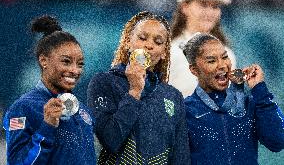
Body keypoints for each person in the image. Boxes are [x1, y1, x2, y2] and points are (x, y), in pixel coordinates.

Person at [87, 11, 190, 164]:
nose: (149, 45)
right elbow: (110, 140)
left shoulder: (173, 96)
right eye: (142, 38)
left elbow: (180, 158)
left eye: (158, 42)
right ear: (128, 42)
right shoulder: (104, 82)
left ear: (163, 52)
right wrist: (134, 92)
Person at [3, 15, 97, 165]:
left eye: (80, 64)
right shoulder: (22, 109)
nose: (74, 70)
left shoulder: (83, 112)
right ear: (43, 60)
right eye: (66, 62)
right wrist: (47, 126)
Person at [182, 33, 284, 165]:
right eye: (211, 61)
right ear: (194, 70)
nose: (222, 65)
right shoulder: (186, 110)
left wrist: (259, 90)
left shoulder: (248, 104)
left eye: (225, 57)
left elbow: (278, 141)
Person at [169, 0, 237, 97]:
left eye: (215, 6)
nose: (210, 13)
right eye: (203, 5)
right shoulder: (169, 52)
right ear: (185, 7)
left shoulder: (228, 54)